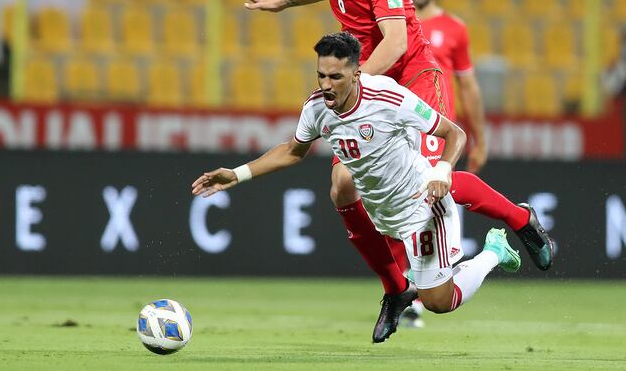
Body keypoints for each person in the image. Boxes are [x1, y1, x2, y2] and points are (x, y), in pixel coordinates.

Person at [241, 0, 553, 342]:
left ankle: (520, 219)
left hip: (410, 75)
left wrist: (358, 87)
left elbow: (397, 41)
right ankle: (395, 288)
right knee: (342, 186)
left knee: (428, 176)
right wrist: (284, 1)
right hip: (368, 79)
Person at [192, 32, 522, 342]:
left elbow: (455, 134)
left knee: (438, 302)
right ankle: (396, 291)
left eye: (335, 77)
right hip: (383, 209)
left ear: (356, 73)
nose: (326, 85)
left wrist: (442, 171)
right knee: (342, 188)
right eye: (321, 75)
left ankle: (494, 252)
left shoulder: (388, 97)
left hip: (422, 200)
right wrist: (237, 174)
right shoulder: (317, 107)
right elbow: (294, 150)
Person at [405, 0, 487, 174]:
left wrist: (479, 139)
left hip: (437, 128)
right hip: (400, 123)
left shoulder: (455, 28)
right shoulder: (392, 25)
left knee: (432, 193)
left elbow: (467, 86)